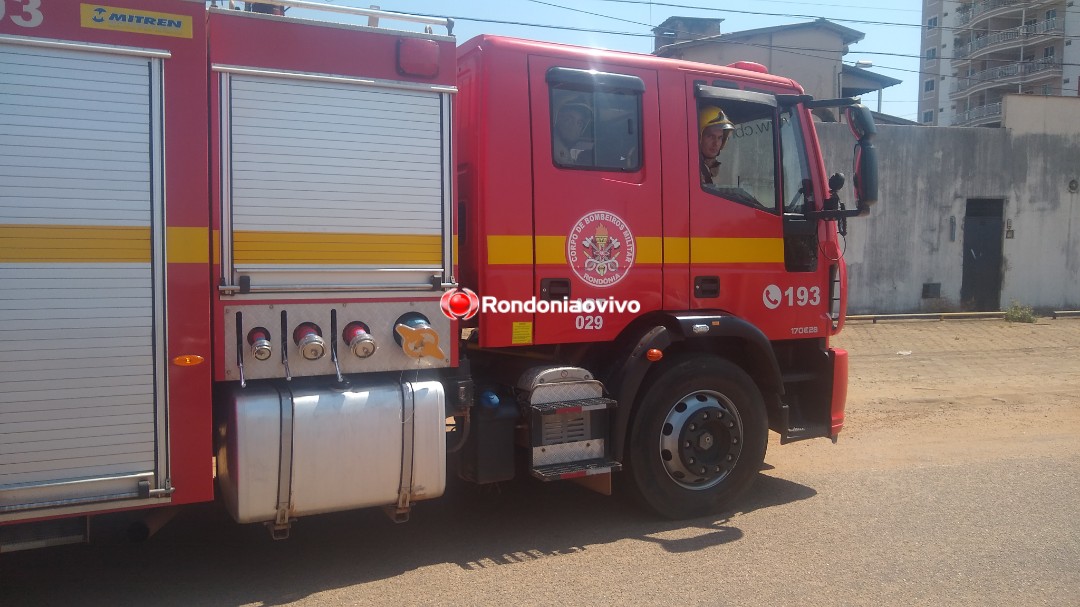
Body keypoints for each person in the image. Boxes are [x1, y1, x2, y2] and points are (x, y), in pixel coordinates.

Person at [698, 106, 735, 185]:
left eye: (720, 137)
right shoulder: (692, 169)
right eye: (711, 136)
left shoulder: (713, 170)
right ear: (699, 136)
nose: (716, 143)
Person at [553, 100, 594, 166]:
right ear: (557, 120)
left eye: (579, 123)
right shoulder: (554, 153)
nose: (574, 126)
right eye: (568, 119)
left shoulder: (566, 154)